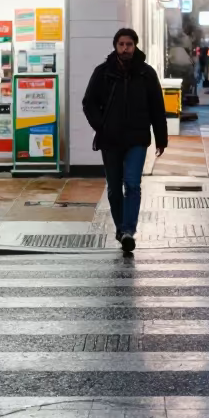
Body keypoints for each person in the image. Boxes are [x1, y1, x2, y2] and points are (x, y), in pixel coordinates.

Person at [82, 27, 168, 255]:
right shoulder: (103, 72)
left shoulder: (146, 74)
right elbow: (88, 102)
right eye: (121, 44)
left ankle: (128, 230)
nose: (125, 48)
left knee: (132, 184)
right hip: (110, 140)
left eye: (129, 44)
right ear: (115, 46)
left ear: (135, 46)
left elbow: (157, 108)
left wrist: (161, 138)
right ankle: (121, 229)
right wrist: (101, 126)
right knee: (113, 188)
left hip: (137, 138)